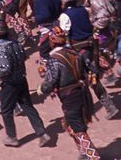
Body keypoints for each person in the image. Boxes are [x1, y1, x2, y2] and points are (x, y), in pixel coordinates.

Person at [38, 27, 99, 160]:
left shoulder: (54, 59)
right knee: (70, 124)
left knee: (77, 126)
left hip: (70, 96)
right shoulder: (75, 53)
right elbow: (91, 69)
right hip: (81, 92)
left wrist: (41, 88)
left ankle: (93, 156)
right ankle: (84, 152)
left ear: (52, 41)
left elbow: (50, 83)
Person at [0, 24, 50, 147]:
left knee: (6, 110)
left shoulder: (0, 48)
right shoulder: (16, 43)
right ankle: (42, 133)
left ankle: (12, 137)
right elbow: (24, 56)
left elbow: (5, 68)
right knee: (28, 106)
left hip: (10, 84)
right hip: (22, 80)